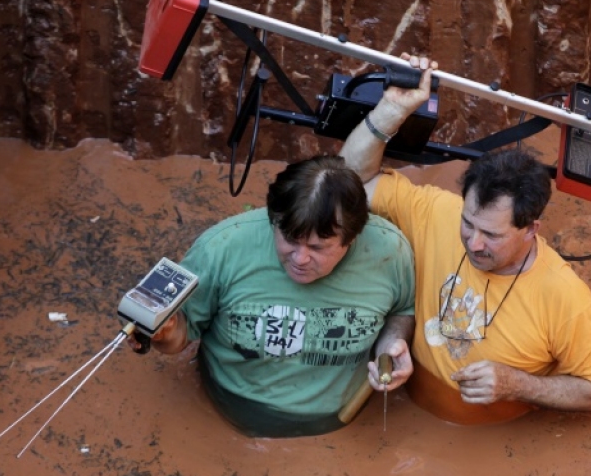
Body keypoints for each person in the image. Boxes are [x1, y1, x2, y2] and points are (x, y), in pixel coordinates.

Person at [339, 56, 591, 424]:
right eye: (468, 224)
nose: (474, 243)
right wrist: (390, 110)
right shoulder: (437, 211)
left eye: (493, 235)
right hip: (415, 407)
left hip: (491, 432)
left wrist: (517, 385)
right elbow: (347, 184)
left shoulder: (565, 298)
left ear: (531, 229)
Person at [133, 155, 416, 437]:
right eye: (290, 239)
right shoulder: (221, 248)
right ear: (273, 220)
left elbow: (402, 309)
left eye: (318, 247)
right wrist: (164, 332)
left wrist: (391, 344)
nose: (300, 259)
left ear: (352, 238)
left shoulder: (389, 251)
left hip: (342, 417)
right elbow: (180, 336)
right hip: (229, 406)